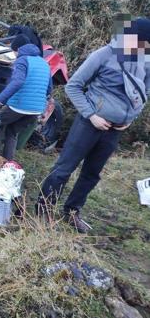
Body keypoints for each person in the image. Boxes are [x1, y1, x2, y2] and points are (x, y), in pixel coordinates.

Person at [37, 17, 150, 233]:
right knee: (64, 169)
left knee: (92, 174)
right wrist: (91, 115)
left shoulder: (146, 61)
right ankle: (43, 211)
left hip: (114, 130)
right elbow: (74, 87)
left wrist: (130, 120)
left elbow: (144, 93)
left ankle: (72, 211)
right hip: (89, 124)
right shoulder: (104, 55)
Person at [0, 34, 52, 160]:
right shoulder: (44, 63)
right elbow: (49, 89)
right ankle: (7, 162)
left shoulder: (22, 60)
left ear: (17, 49)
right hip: (36, 110)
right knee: (12, 132)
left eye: (13, 52)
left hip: (19, 106)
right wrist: (43, 108)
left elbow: (17, 82)